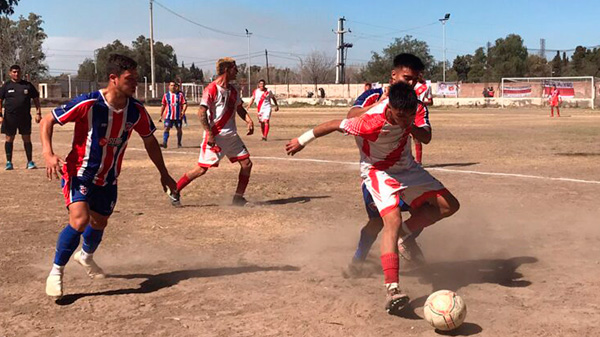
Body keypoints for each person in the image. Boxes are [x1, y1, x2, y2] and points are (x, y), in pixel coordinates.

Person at [286, 81, 459, 315]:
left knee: (449, 205)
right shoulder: (369, 122)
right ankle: (393, 289)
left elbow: (424, 136)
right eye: (401, 116)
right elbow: (334, 124)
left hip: (407, 168)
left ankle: (404, 238)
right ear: (390, 108)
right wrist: (301, 140)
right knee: (391, 221)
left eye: (409, 116)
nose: (406, 120)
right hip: (378, 172)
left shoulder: (412, 109)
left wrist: (411, 126)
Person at [40, 54, 177, 299]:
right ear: (113, 79)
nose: (135, 83)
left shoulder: (136, 111)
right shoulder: (90, 103)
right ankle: (56, 272)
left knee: (99, 223)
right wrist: (48, 153)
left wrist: (164, 174)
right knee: (80, 220)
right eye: (129, 79)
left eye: (136, 79)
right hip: (79, 174)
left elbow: (150, 142)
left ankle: (85, 257)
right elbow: (49, 120)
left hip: (109, 179)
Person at [172, 57, 254, 206]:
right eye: (234, 68)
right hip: (216, 135)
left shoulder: (234, 90)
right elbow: (201, 112)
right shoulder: (211, 89)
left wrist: (248, 120)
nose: (237, 71)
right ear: (226, 70)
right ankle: (175, 190)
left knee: (247, 164)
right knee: (201, 169)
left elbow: (239, 108)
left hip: (232, 137)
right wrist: (209, 133)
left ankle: (238, 198)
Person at [0, 64, 42, 170]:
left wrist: (38, 113)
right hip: (10, 117)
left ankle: (30, 162)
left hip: (24, 117)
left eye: (18, 72)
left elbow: (36, 99)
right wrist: (0, 115)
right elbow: (0, 100)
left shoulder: (27, 85)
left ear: (20, 73)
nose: (16, 74)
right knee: (9, 138)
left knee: (27, 138)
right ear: (10, 73)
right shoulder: (6, 86)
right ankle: (9, 162)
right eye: (14, 72)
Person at [160, 81, 187, 148]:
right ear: (169, 86)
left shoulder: (180, 95)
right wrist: (161, 115)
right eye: (171, 85)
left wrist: (183, 111)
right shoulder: (166, 95)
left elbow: (185, 104)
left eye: (174, 85)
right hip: (168, 116)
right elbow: (163, 105)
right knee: (166, 128)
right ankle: (164, 142)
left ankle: (179, 143)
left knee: (179, 129)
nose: (173, 87)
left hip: (178, 116)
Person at [413, 77, 433, 164]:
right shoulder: (412, 84)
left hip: (419, 110)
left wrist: (421, 103)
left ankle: (418, 161)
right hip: (408, 108)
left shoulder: (427, 86)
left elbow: (431, 101)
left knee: (417, 136)